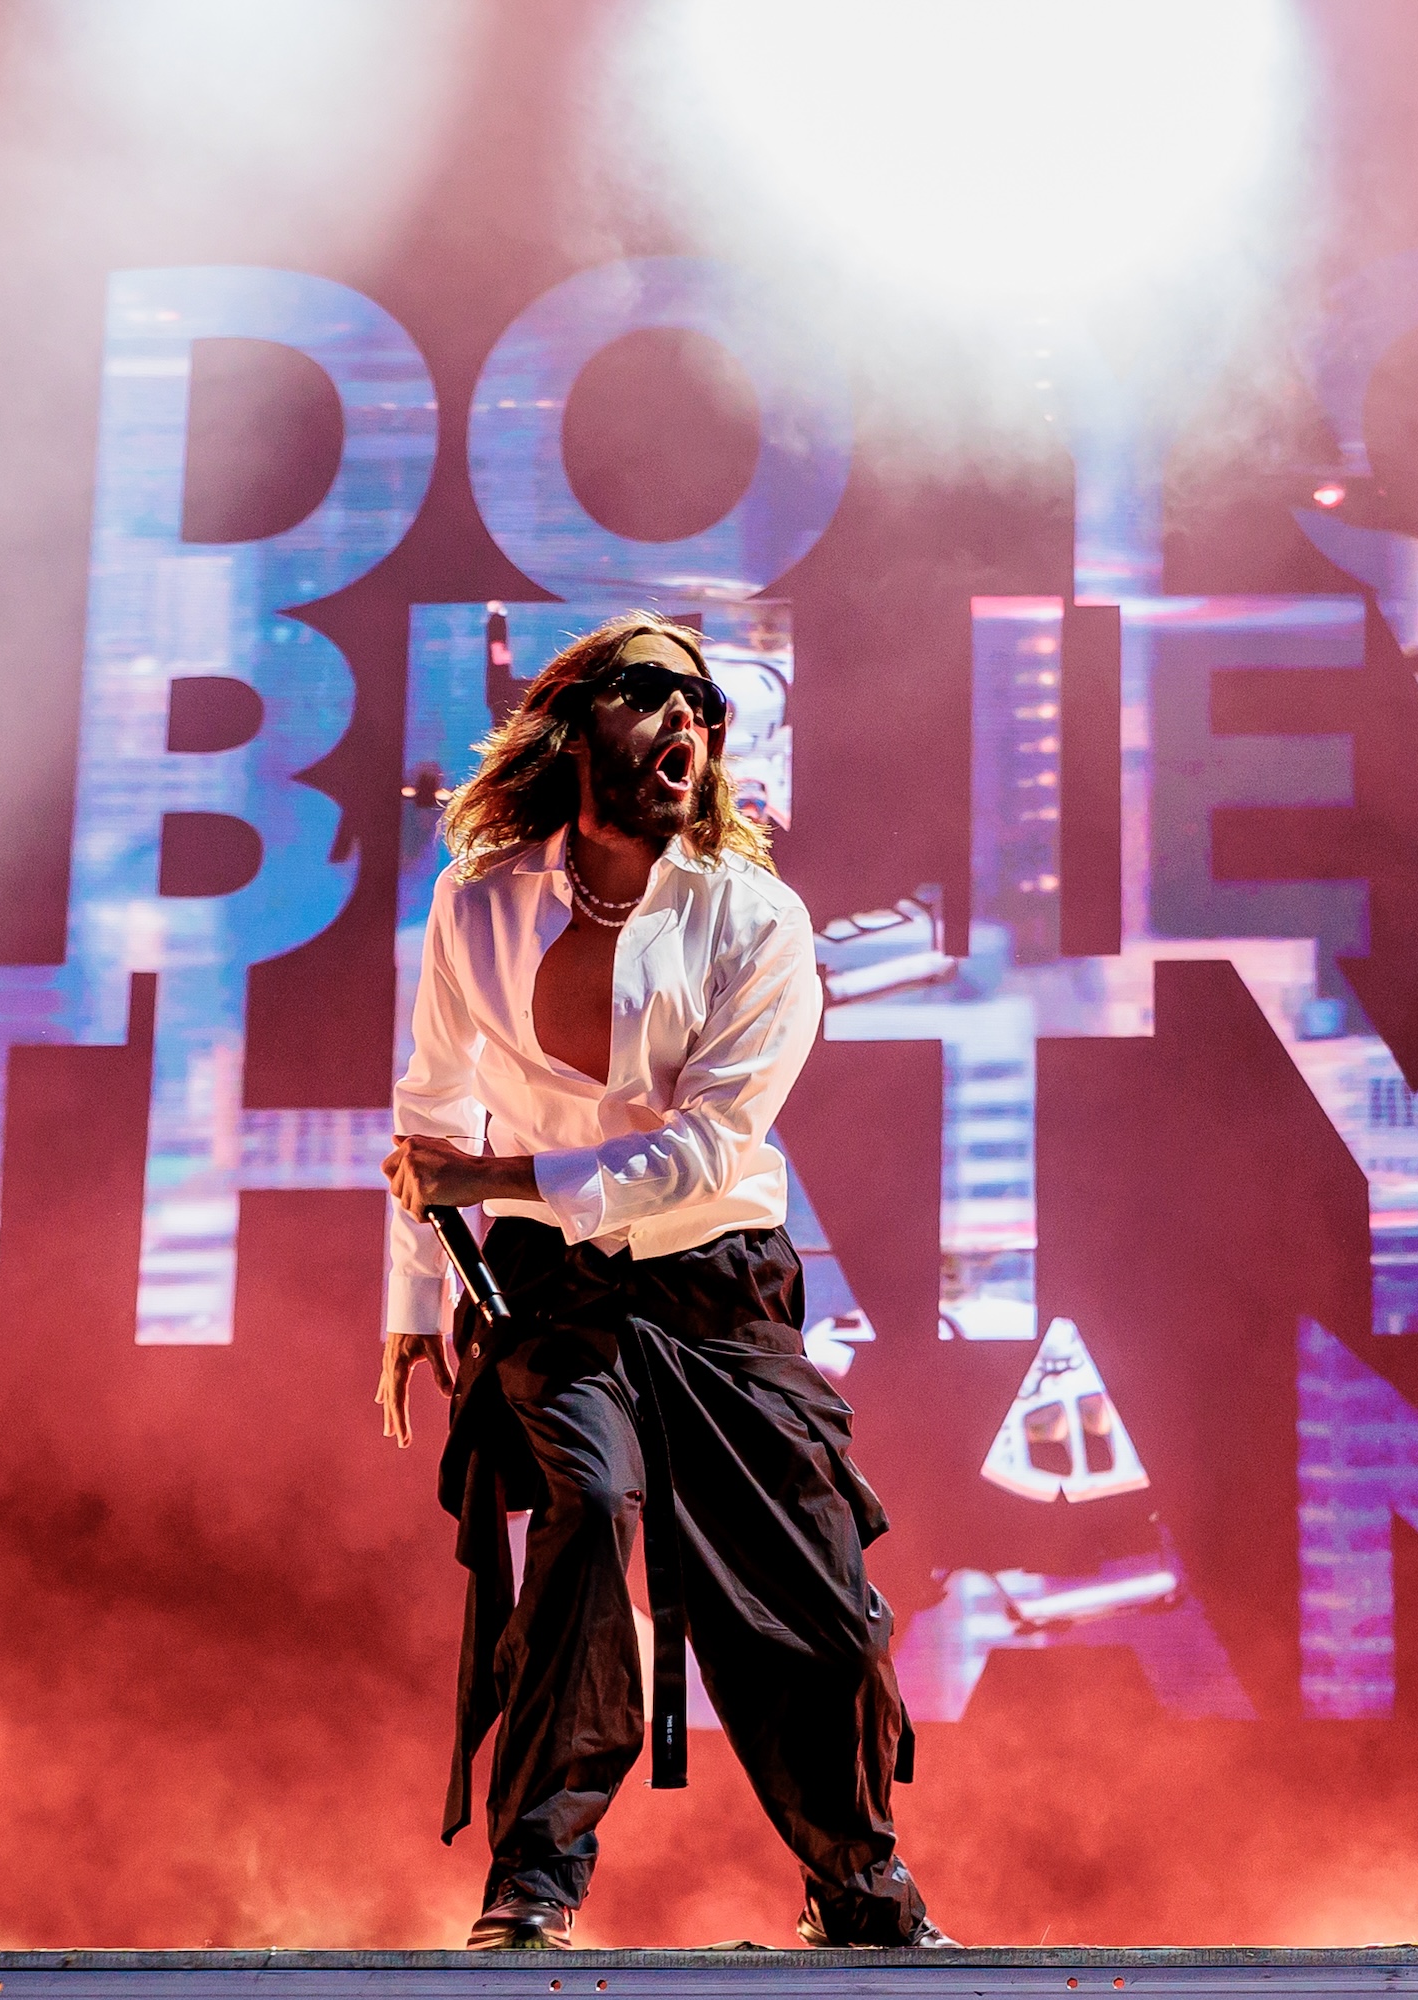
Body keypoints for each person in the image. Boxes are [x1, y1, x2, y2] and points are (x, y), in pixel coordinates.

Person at [376, 612, 949, 1952]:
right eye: (652, 694)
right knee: (592, 1503)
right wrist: (412, 1306)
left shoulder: (756, 922)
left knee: (814, 1603)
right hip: (550, 1302)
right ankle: (533, 1883)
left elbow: (703, 1152)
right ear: (578, 724)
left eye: (705, 706)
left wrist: (496, 1178)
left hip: (714, 1293)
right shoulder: (480, 904)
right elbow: (429, 1112)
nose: (684, 722)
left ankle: (856, 1879)